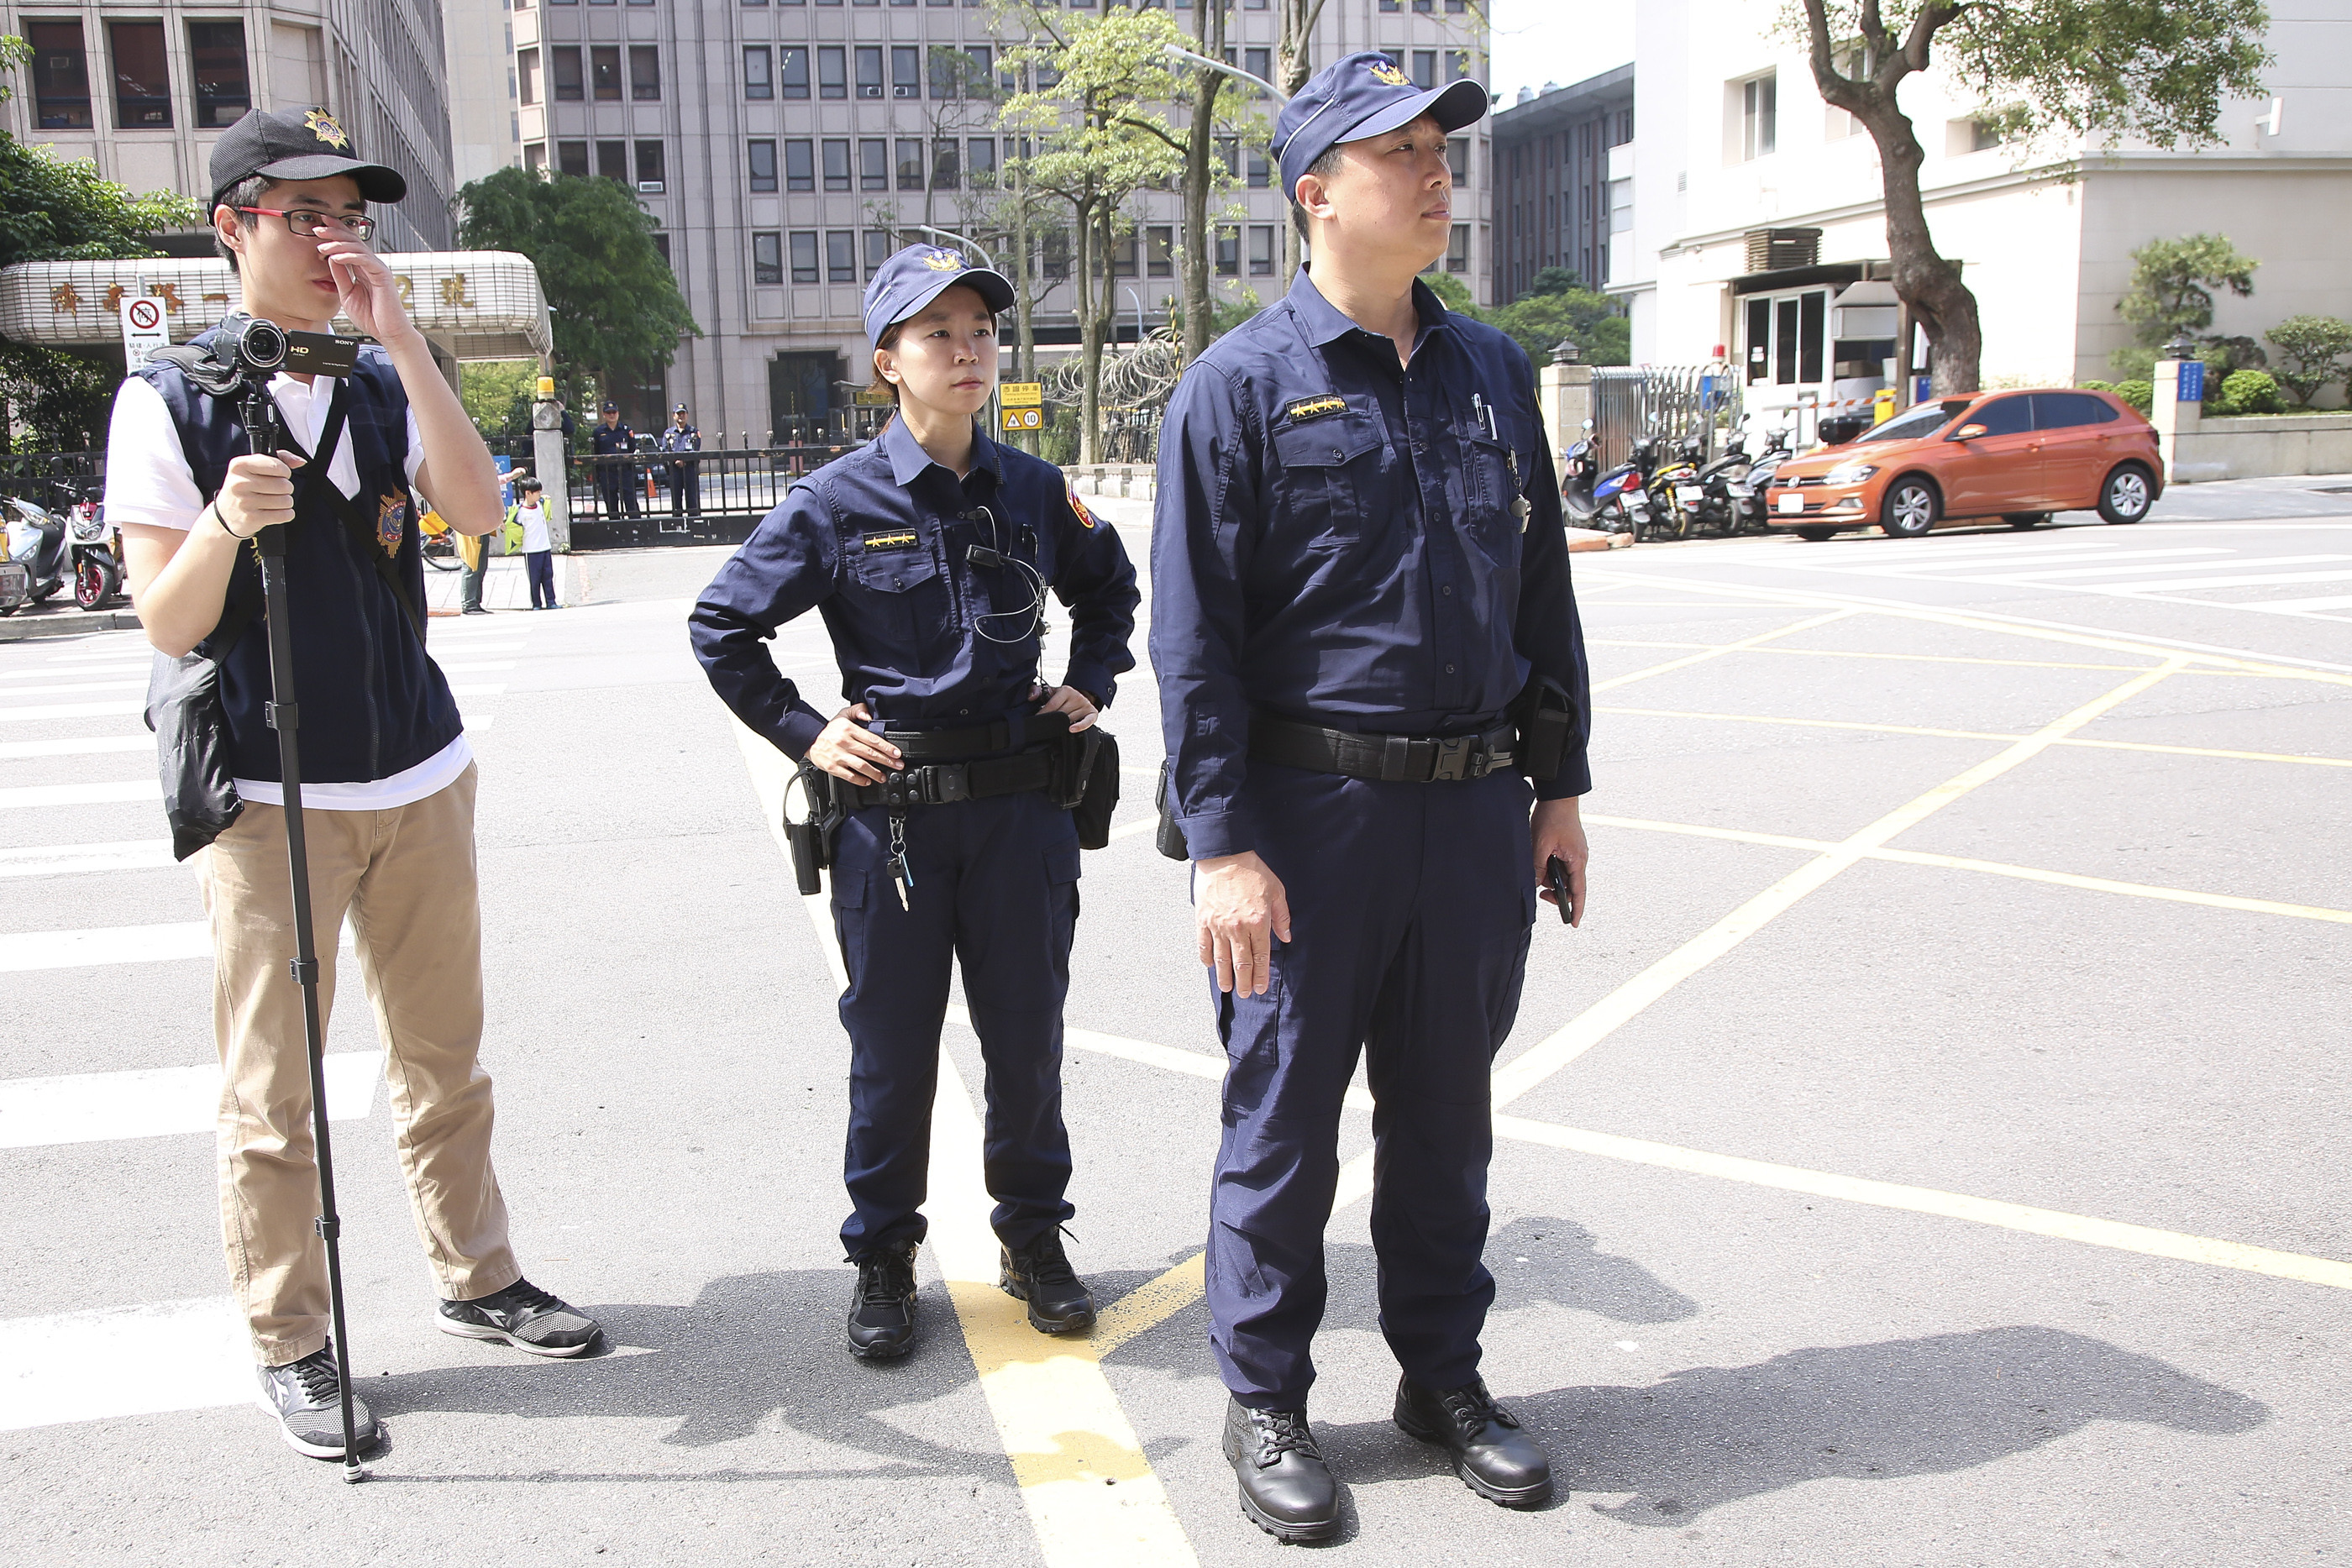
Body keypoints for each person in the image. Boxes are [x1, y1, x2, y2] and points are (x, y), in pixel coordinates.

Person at [105, 105, 601, 1465]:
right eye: (302, 214)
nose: (334, 239)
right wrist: (222, 518)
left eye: (351, 216)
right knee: (276, 1091)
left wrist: (404, 342)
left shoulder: (383, 377)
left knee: (445, 1056)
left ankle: (477, 1271)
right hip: (273, 793)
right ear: (232, 226)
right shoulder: (172, 395)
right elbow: (163, 613)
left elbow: (478, 507)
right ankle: (293, 1336)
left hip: (418, 765)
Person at [1148, 54, 1593, 1542]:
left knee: (1449, 1117)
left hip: (1469, 811)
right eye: (1395, 152)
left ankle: (1441, 1379)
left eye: (1439, 150)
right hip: (1306, 815)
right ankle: (1265, 1393)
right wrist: (1220, 846)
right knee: (1281, 1123)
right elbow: (1192, 637)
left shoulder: (1491, 373)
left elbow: (1539, 588)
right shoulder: (1237, 389)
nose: (1433, 174)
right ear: (1314, 193)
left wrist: (1559, 786)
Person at [690, 245, 1139, 1361]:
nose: (967, 349)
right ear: (889, 361)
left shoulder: (1035, 490)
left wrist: (1092, 678)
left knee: (1026, 1043)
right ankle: (884, 1253)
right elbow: (722, 625)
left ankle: (1034, 1239)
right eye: (937, 333)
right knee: (892, 1049)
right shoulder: (835, 502)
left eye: (981, 329)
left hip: (1022, 814)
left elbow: (1110, 586)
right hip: (892, 822)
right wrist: (808, 732)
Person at [506, 475, 558, 608]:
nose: (539, 495)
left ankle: (551, 602)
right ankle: (536, 603)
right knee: (535, 579)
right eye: (537, 492)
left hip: (545, 547)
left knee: (548, 576)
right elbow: (511, 527)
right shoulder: (521, 512)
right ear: (528, 493)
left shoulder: (540, 505)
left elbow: (546, 504)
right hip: (531, 550)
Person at [591, 401, 639, 520]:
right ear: (604, 414)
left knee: (630, 499)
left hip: (625, 470)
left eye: (614, 412)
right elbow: (595, 452)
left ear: (618, 413)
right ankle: (615, 526)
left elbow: (632, 448)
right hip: (607, 471)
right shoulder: (598, 432)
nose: (611, 415)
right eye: (608, 413)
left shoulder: (626, 430)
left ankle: (636, 526)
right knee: (611, 501)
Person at [659, 402, 702, 518]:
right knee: (676, 499)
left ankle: (694, 523)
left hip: (689, 469)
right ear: (674, 416)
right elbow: (665, 450)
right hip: (675, 470)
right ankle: (677, 523)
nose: (681, 416)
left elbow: (696, 448)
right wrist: (675, 461)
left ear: (687, 415)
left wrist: (684, 461)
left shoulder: (693, 432)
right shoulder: (669, 433)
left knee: (692, 499)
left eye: (683, 413)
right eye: (678, 414)